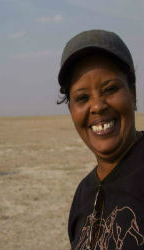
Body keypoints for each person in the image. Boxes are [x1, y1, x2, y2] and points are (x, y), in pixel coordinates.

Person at [57, 29, 144, 250]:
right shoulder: (83, 194)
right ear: (71, 110)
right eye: (82, 98)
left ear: (132, 93)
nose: (97, 106)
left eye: (110, 89)